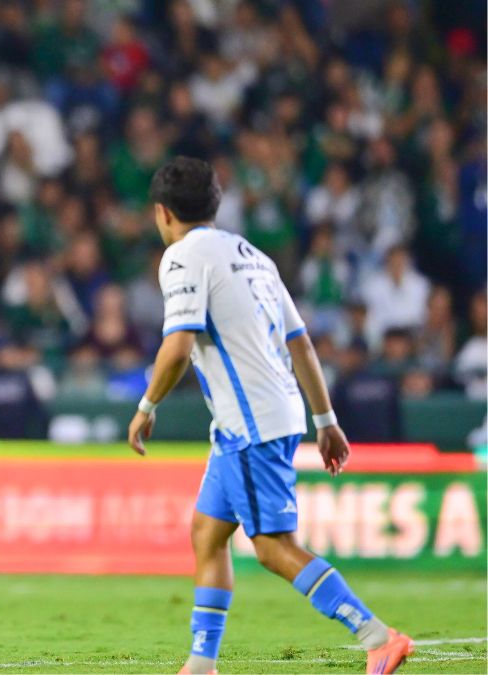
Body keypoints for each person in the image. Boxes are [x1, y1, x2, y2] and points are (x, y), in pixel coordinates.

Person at [126, 157, 414, 675]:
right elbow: (300, 343)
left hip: (251, 422)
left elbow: (177, 346)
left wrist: (147, 406)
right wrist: (325, 419)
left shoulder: (182, 257)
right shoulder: (252, 255)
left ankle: (377, 634)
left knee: (273, 547)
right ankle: (201, 663)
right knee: (208, 533)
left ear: (162, 213)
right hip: (261, 416)